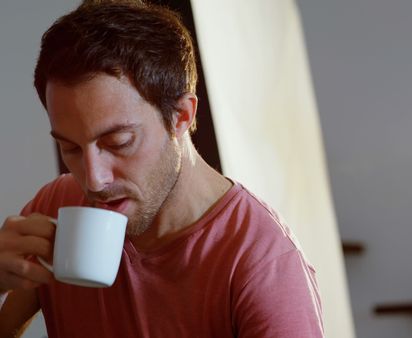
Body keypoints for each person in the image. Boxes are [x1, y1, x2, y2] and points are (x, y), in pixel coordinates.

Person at [0, 1, 323, 337]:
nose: (94, 179)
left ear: (181, 116)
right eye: (70, 148)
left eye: (119, 142)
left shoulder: (265, 265)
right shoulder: (58, 206)